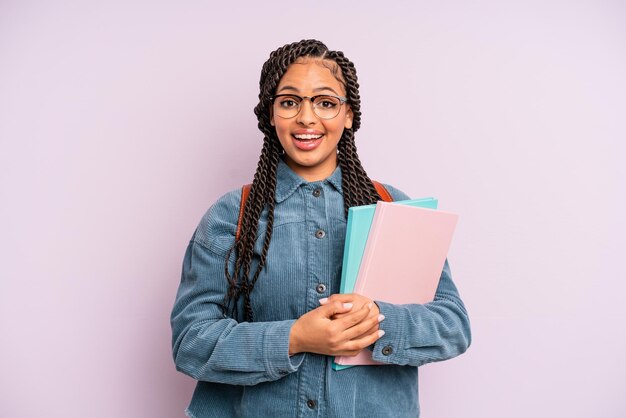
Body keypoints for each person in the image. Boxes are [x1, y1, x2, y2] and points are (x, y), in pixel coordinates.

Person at [171, 39, 471, 418]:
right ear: (271, 113)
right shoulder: (232, 215)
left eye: (325, 103)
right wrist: (294, 338)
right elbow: (190, 342)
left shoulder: (392, 208)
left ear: (348, 115)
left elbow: (453, 325)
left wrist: (379, 318)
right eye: (290, 101)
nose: (307, 119)